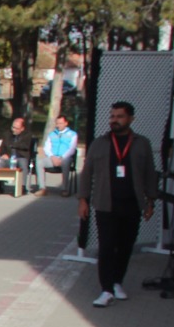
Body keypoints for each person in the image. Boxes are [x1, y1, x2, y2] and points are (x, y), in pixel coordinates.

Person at [78, 101, 158, 309]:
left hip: (132, 204)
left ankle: (117, 282)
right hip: (106, 204)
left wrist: (151, 200)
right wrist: (83, 199)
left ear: (131, 119)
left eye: (120, 116)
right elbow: (87, 173)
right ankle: (106, 289)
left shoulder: (142, 143)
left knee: (125, 246)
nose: (114, 120)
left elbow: (149, 173)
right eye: (112, 116)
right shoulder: (99, 143)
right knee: (106, 247)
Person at [43, 115, 79, 194]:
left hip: (65, 157)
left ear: (66, 123)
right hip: (53, 157)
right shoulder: (52, 134)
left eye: (60, 123)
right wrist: (52, 157)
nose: (58, 125)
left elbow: (72, 149)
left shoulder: (73, 134)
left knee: (65, 163)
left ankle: (64, 189)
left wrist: (62, 157)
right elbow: (47, 148)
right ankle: (42, 188)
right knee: (39, 162)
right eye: (57, 123)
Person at [0, 117, 37, 191]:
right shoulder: (7, 134)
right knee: (1, 162)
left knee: (23, 163)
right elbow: (2, 147)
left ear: (22, 128)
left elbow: (25, 146)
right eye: (13, 127)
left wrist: (13, 145)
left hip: (21, 156)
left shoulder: (28, 135)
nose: (13, 130)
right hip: (9, 156)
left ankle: (22, 186)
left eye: (16, 128)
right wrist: (3, 154)